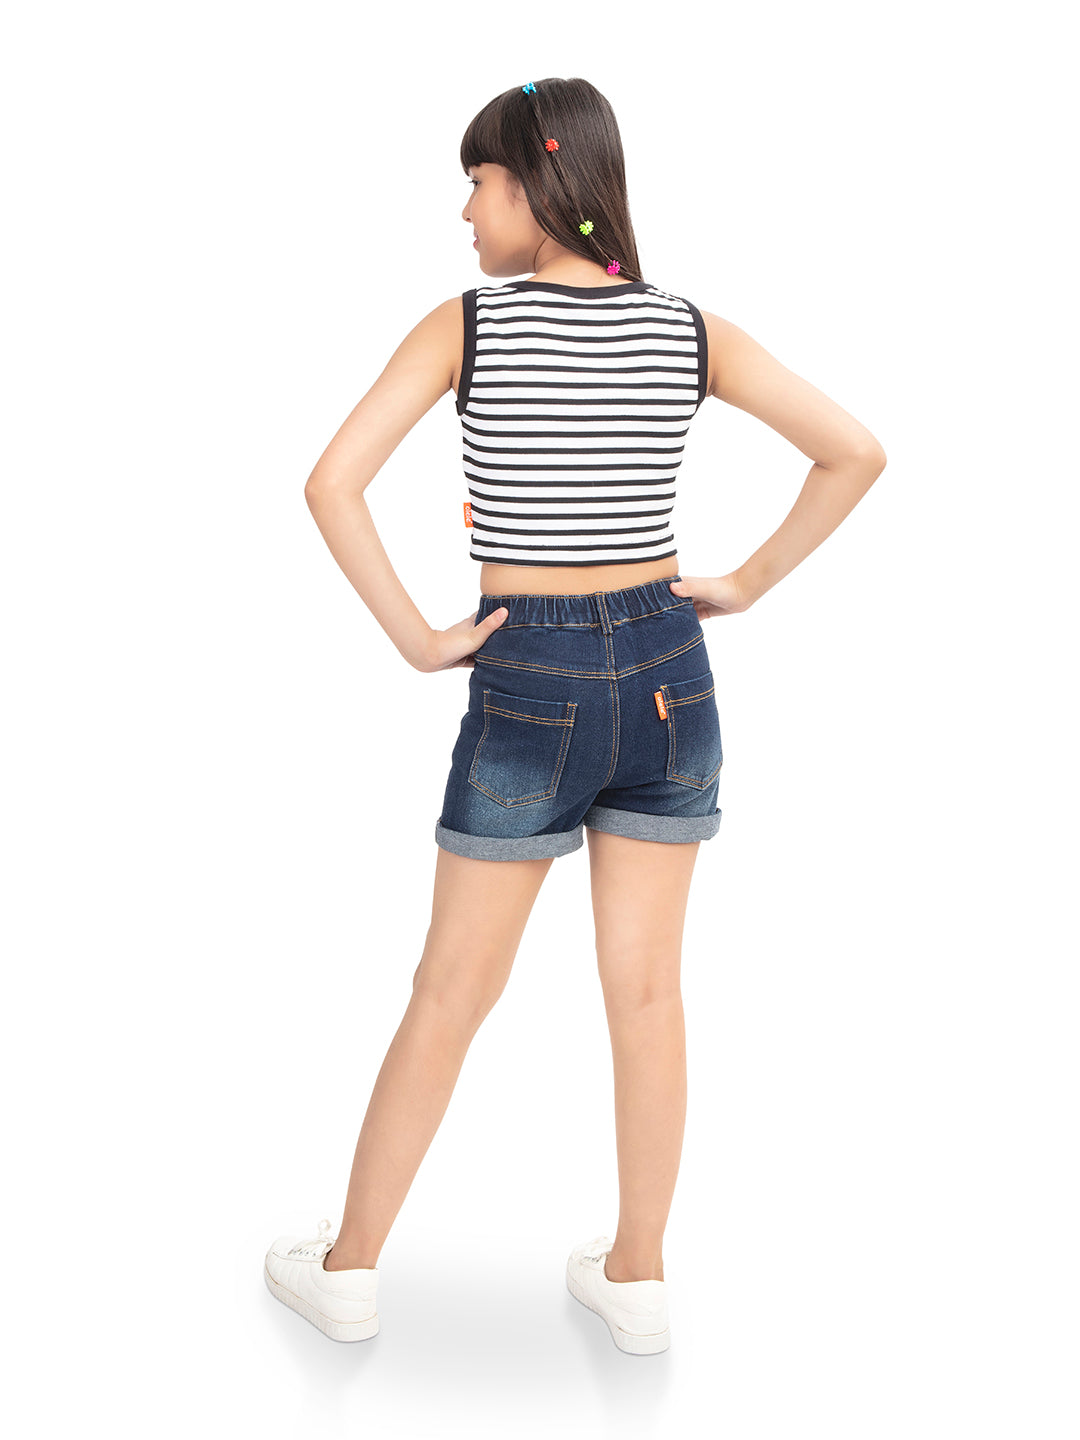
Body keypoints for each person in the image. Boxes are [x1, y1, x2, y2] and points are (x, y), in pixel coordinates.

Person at [263, 76, 886, 1355]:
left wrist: (420, 638)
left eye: (477, 183)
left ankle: (350, 1268)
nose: (464, 211)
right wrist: (744, 584)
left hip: (528, 678)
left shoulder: (468, 327)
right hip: (670, 671)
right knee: (648, 991)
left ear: (540, 184)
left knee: (450, 988)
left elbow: (330, 483)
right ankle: (639, 1278)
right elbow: (855, 450)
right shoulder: (688, 330)